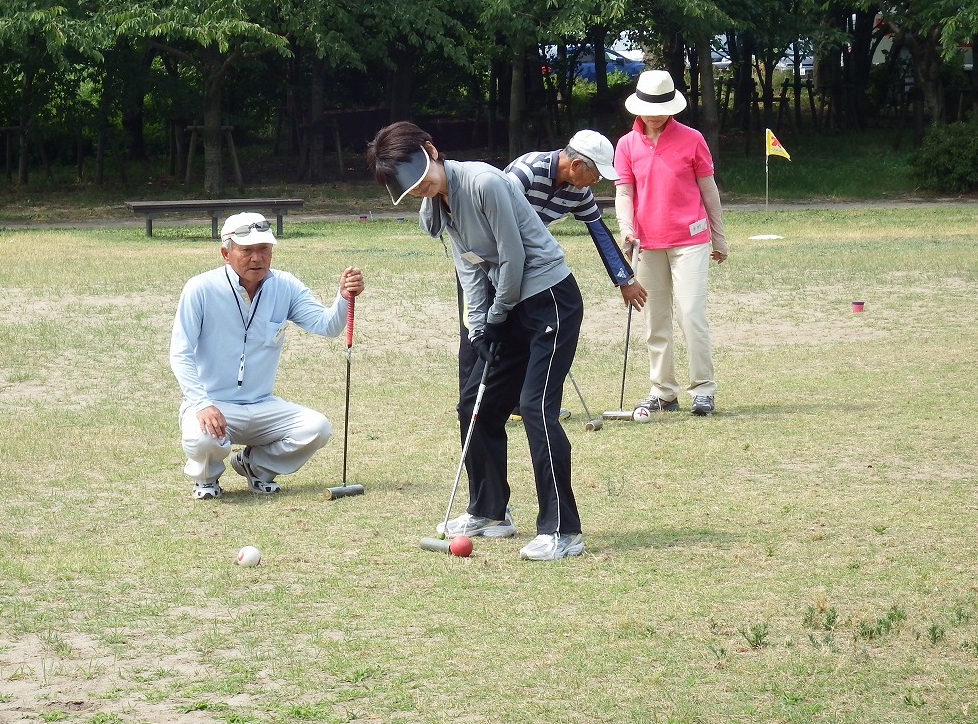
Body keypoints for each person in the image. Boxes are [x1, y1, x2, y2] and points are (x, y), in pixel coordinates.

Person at [365, 122, 585, 561]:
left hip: (547, 299)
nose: (422, 188)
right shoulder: (441, 202)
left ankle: (563, 531)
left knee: (537, 409)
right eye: (412, 188)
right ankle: (490, 511)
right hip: (508, 306)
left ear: (432, 150)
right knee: (475, 405)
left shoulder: (484, 182)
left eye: (422, 176)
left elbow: (513, 255)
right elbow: (469, 266)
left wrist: (498, 313)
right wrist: (478, 325)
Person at [170, 211, 366, 499]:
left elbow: (327, 326)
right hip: (212, 403)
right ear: (226, 253)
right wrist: (201, 404)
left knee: (317, 428)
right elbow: (180, 352)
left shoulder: (285, 285)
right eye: (246, 250)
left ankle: (255, 466)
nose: (257, 258)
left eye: (264, 249)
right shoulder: (200, 288)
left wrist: (343, 296)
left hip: (262, 405)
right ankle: (206, 479)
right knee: (202, 438)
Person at [456, 131, 650, 418]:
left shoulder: (578, 191)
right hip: (485, 258)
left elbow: (599, 231)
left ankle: (519, 402)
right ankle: (471, 404)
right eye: (596, 174)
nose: (597, 182)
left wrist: (625, 279)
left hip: (522, 265)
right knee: (480, 327)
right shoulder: (525, 173)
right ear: (576, 166)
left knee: (519, 328)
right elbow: (488, 218)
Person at [613, 70, 728, 417]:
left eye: (661, 106)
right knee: (654, 319)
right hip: (648, 243)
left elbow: (709, 189)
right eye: (649, 106)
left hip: (690, 240)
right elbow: (624, 191)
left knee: (691, 314)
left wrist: (720, 237)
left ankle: (703, 390)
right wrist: (625, 228)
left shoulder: (692, 139)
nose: (654, 113)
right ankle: (662, 391)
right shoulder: (627, 144)